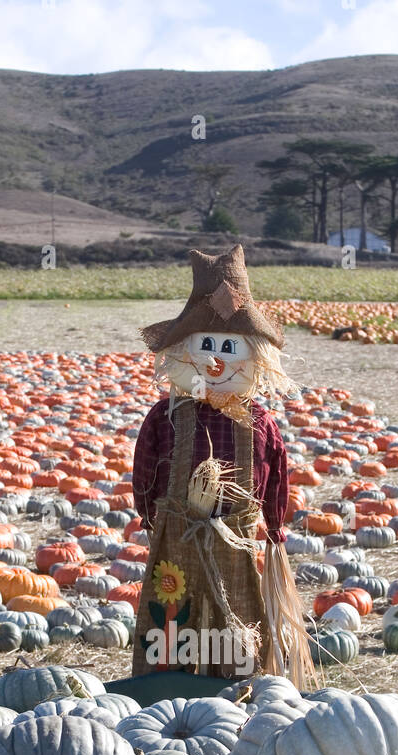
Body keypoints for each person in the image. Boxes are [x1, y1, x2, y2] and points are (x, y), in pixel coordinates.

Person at [131, 244, 312, 684]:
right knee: (172, 617)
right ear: (183, 351)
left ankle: (237, 690)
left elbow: (276, 477)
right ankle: (166, 687)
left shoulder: (259, 422)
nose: (216, 359)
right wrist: (152, 514)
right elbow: (146, 466)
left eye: (230, 347)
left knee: (238, 622)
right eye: (206, 345)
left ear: (253, 355)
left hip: (239, 538)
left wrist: (273, 526)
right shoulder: (168, 414)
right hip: (179, 533)